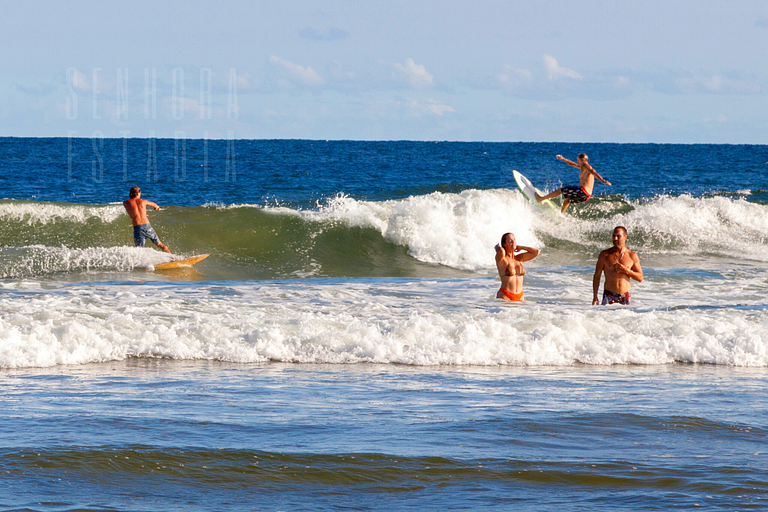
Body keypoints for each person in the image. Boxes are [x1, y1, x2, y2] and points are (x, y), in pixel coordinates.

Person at [536, 153, 612, 213]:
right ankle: (561, 213)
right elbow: (572, 164)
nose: (577, 162)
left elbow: (594, 172)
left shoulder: (586, 166)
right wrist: (563, 158)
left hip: (583, 192)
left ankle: (541, 199)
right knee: (568, 198)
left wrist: (602, 180)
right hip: (586, 195)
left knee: (560, 190)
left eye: (578, 160)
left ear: (582, 160)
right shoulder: (583, 167)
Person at [592, 226, 643, 305]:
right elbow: (597, 276)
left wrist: (626, 270)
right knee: (605, 317)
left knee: (626, 317)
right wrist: (595, 297)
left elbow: (640, 278)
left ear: (625, 237)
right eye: (613, 236)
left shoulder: (632, 255)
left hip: (625, 295)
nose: (615, 238)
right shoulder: (605, 255)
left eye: (618, 236)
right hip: (609, 295)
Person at [123, 186, 171, 253]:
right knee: (159, 244)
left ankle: (140, 263)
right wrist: (156, 207)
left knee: (139, 250)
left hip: (138, 228)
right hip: (147, 226)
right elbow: (155, 205)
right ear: (138, 193)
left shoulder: (126, 203)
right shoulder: (143, 201)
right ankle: (172, 257)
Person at [494, 232, 540, 301]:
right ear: (504, 244)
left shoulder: (519, 258)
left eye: (514, 240)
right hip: (505, 295)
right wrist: (497, 248)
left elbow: (536, 252)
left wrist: (521, 247)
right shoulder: (502, 260)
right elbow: (501, 252)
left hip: (520, 296)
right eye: (510, 241)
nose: (513, 242)